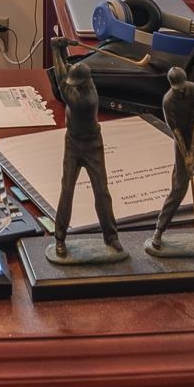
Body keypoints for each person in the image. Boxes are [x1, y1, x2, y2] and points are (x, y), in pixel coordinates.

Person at [49, 61, 125, 263]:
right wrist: (62, 49)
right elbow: (66, 74)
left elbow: (61, 80)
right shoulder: (82, 85)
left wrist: (57, 49)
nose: (73, 85)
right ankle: (60, 238)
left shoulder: (85, 99)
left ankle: (111, 237)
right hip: (73, 144)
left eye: (76, 84)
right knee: (67, 191)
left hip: (92, 146)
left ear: (84, 83)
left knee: (101, 192)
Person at [146, 66, 194, 255]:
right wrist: (186, 156)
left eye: (181, 88)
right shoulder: (168, 101)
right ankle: (159, 230)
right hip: (181, 147)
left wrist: (193, 155)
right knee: (178, 190)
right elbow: (176, 132)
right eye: (176, 89)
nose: (179, 92)